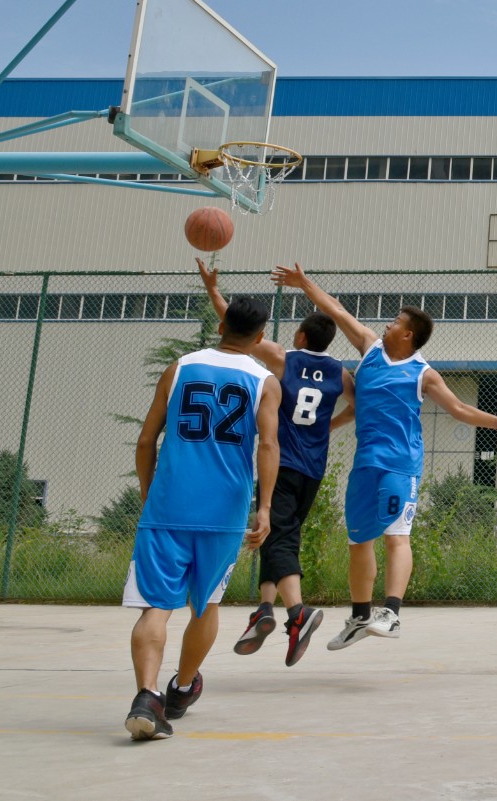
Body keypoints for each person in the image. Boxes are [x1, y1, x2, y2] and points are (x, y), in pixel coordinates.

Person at [270, 263, 497, 648]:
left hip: (400, 464)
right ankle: (360, 617)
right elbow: (337, 310)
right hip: (365, 463)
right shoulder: (369, 348)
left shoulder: (423, 374)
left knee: (396, 536)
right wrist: (304, 283)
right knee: (358, 542)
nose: (387, 325)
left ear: (408, 334)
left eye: (395, 322)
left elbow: (458, 409)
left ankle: (390, 613)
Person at [122, 295, 281, 740]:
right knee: (206, 602)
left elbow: (146, 441)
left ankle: (147, 696)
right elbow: (269, 446)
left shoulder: (180, 367)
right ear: (260, 336)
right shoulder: (265, 381)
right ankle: (182, 688)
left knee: (156, 607)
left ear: (221, 326)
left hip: (169, 504)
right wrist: (265, 507)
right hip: (224, 511)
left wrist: (149, 494)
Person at [197, 259, 349, 666]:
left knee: (277, 535)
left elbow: (238, 326)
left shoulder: (285, 358)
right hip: (313, 468)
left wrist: (213, 290)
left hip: (280, 462)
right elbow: (361, 406)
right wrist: (330, 424)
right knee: (279, 533)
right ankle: (264, 608)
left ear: (301, 335)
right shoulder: (340, 373)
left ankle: (297, 613)